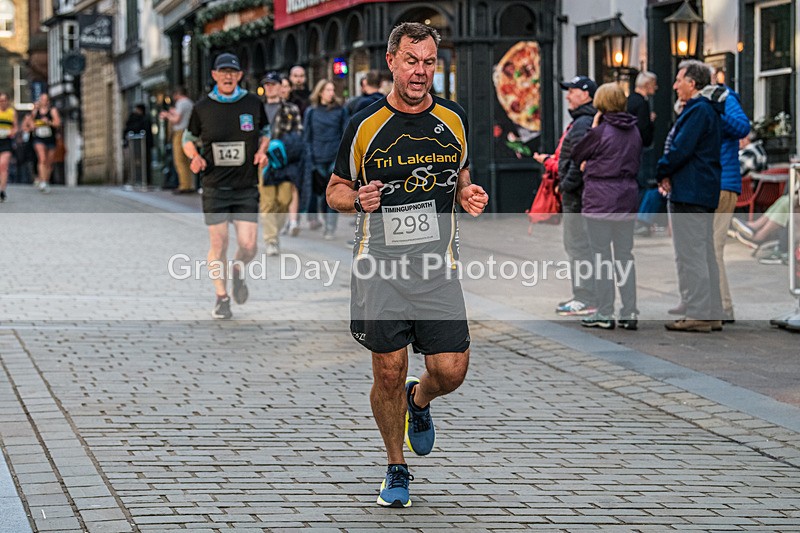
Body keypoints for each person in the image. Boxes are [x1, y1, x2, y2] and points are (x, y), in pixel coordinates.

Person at [326, 22, 488, 509]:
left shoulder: (455, 119)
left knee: (452, 371)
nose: (421, 72)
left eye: (430, 62)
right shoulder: (364, 123)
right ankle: (396, 466)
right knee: (389, 373)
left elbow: (459, 176)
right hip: (380, 269)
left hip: (438, 269)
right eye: (412, 61)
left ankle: (421, 402)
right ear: (392, 62)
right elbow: (334, 189)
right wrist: (358, 198)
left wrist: (467, 193)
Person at [182, 53, 270, 319]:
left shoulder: (253, 102)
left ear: (239, 75)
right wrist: (194, 157)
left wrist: (262, 151)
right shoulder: (202, 107)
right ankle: (222, 298)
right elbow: (188, 138)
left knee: (249, 245)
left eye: (233, 71)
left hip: (245, 186)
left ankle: (237, 270)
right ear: (215, 76)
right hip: (214, 186)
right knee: (219, 244)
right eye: (223, 71)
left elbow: (264, 132)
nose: (228, 75)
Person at [657, 60, 723, 333]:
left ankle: (699, 313)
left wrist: (662, 169)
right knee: (703, 252)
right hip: (699, 189)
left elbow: (681, 149)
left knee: (692, 253)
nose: (674, 85)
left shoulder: (698, 111)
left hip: (691, 190)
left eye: (679, 80)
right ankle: (712, 311)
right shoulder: (703, 110)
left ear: (692, 83)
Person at [571, 83, 643, 330]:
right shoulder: (634, 131)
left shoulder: (600, 131)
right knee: (625, 256)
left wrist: (593, 128)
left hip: (600, 200)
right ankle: (630, 311)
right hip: (627, 199)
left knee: (601, 257)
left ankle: (604, 311)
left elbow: (577, 153)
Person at [704, 80, 750, 323]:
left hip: (722, 182)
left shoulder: (723, 98)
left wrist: (715, 115)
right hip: (706, 183)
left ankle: (722, 307)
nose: (676, 85)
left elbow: (743, 127)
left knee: (713, 247)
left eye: (680, 79)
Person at [554, 76, 598, 317]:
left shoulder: (582, 123)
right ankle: (586, 296)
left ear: (586, 94)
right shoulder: (582, 121)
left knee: (578, 246)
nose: (568, 96)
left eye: (572, 91)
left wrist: (567, 184)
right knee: (580, 246)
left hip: (578, 197)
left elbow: (581, 158)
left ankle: (585, 297)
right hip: (578, 195)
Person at [259, 71, 305, 256]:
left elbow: (298, 135)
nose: (269, 88)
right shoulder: (258, 109)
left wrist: (285, 150)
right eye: (267, 85)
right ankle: (271, 239)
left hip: (284, 161)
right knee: (268, 202)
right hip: (264, 161)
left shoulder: (290, 110)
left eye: (273, 84)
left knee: (284, 200)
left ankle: (274, 232)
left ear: (280, 87)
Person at [304, 79, 348, 239]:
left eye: (332, 90)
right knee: (321, 195)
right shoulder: (311, 112)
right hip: (317, 157)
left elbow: (345, 134)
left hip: (334, 158)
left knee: (333, 193)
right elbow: (307, 137)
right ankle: (324, 221)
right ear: (320, 92)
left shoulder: (340, 111)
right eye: (328, 90)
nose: (331, 93)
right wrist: (310, 158)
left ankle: (330, 226)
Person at [23, 93, 60, 193]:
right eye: (42, 99)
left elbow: (57, 123)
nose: (43, 101)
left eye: (45, 99)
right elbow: (28, 122)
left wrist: (48, 122)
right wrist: (32, 126)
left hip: (50, 138)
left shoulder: (52, 111)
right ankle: (42, 182)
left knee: (49, 162)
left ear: (48, 101)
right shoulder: (36, 111)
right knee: (42, 159)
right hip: (38, 138)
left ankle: (45, 180)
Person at [160, 87, 195, 193]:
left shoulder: (181, 103)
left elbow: (177, 120)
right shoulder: (189, 103)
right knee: (186, 160)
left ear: (177, 94)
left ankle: (184, 185)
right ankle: (189, 184)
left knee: (179, 159)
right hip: (188, 132)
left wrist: (167, 116)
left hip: (180, 133)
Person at [123, 104, 154, 185]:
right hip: (135, 145)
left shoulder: (145, 119)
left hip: (144, 145)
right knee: (134, 162)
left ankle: (145, 180)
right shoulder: (133, 119)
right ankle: (135, 179)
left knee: (145, 162)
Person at [0, 92, 16, 202]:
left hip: (6, 141)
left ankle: (2, 190)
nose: (2, 102)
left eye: (4, 100)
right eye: (0, 100)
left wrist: (11, 132)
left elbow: (15, 127)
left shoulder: (11, 112)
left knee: (3, 165)